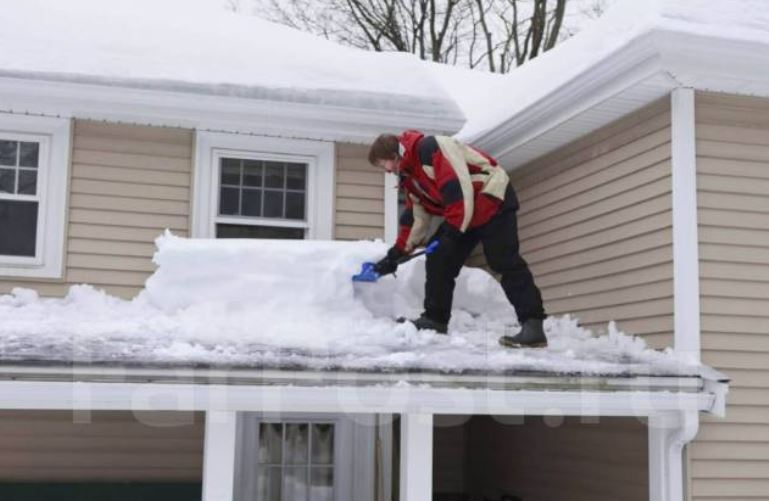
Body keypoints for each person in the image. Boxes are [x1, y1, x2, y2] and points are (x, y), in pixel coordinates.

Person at [368, 130, 547, 348]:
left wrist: (452, 233)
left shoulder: (429, 148)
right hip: (467, 212)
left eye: (383, 164)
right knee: (439, 257)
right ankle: (435, 319)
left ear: (393, 155)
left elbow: (458, 188)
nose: (386, 171)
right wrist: (395, 255)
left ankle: (533, 325)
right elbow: (416, 218)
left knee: (503, 260)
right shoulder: (410, 177)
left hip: (492, 198)